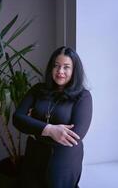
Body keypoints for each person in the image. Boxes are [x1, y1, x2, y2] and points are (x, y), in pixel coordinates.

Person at [13, 46, 92, 188]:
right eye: (56, 66)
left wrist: (33, 128)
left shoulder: (83, 96)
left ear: (74, 70)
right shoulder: (38, 89)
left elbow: (74, 136)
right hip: (34, 157)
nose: (60, 71)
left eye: (66, 67)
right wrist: (49, 129)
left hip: (63, 162)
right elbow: (17, 118)